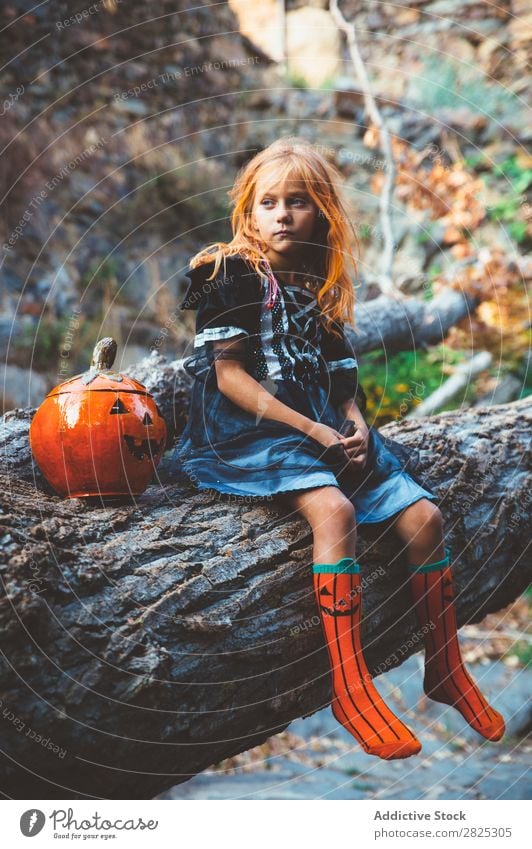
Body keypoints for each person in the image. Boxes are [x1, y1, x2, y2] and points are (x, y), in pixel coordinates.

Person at [171, 136, 505, 760]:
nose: (282, 214)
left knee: (425, 517)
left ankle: (446, 665)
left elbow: (340, 383)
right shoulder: (229, 273)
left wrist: (351, 423)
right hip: (253, 434)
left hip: (321, 427)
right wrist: (314, 431)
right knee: (336, 512)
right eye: (268, 202)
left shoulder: (317, 286)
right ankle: (349, 687)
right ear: (248, 210)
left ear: (320, 211)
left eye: (297, 202)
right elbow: (230, 378)